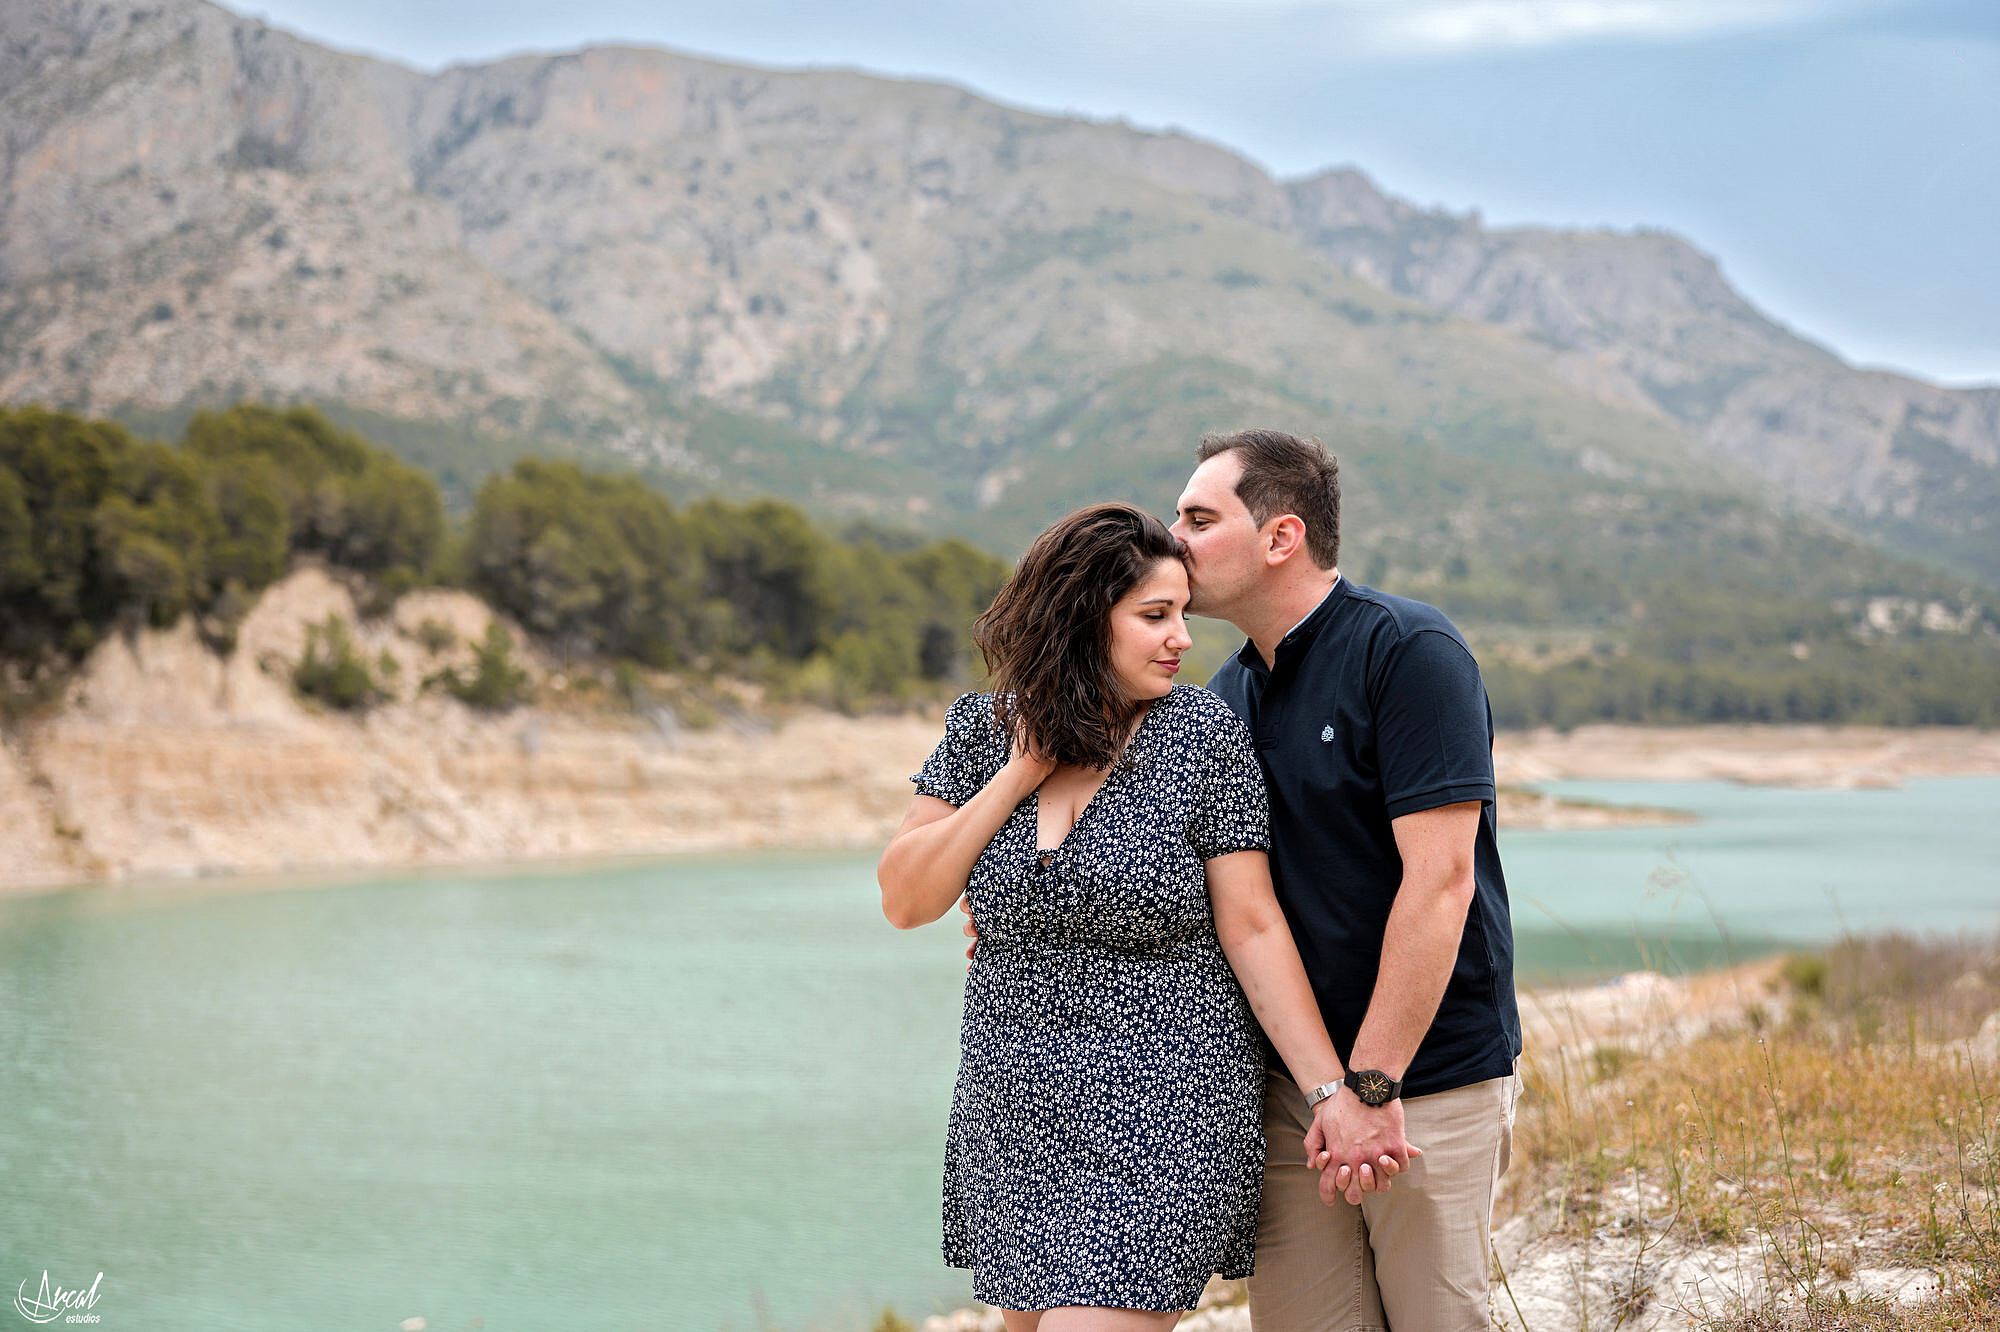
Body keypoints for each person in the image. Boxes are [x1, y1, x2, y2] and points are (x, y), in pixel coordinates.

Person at [878, 503, 1381, 1332]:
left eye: (1183, 612)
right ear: (1082, 622)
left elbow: (1252, 927)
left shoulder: (1201, 738)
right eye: (1155, 616)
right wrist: (1018, 774)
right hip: (1015, 1107)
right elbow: (906, 900)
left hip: (1166, 1108)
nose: (1181, 637)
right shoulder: (982, 732)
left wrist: (1333, 1089)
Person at [1168, 428, 1524, 1332]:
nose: (1173, 538)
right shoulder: (1225, 696)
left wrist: (1371, 1088)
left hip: (1427, 1082)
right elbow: (1217, 903)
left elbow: (1440, 885)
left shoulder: (1407, 650)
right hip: (1296, 1092)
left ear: (1281, 537)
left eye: (1199, 517)